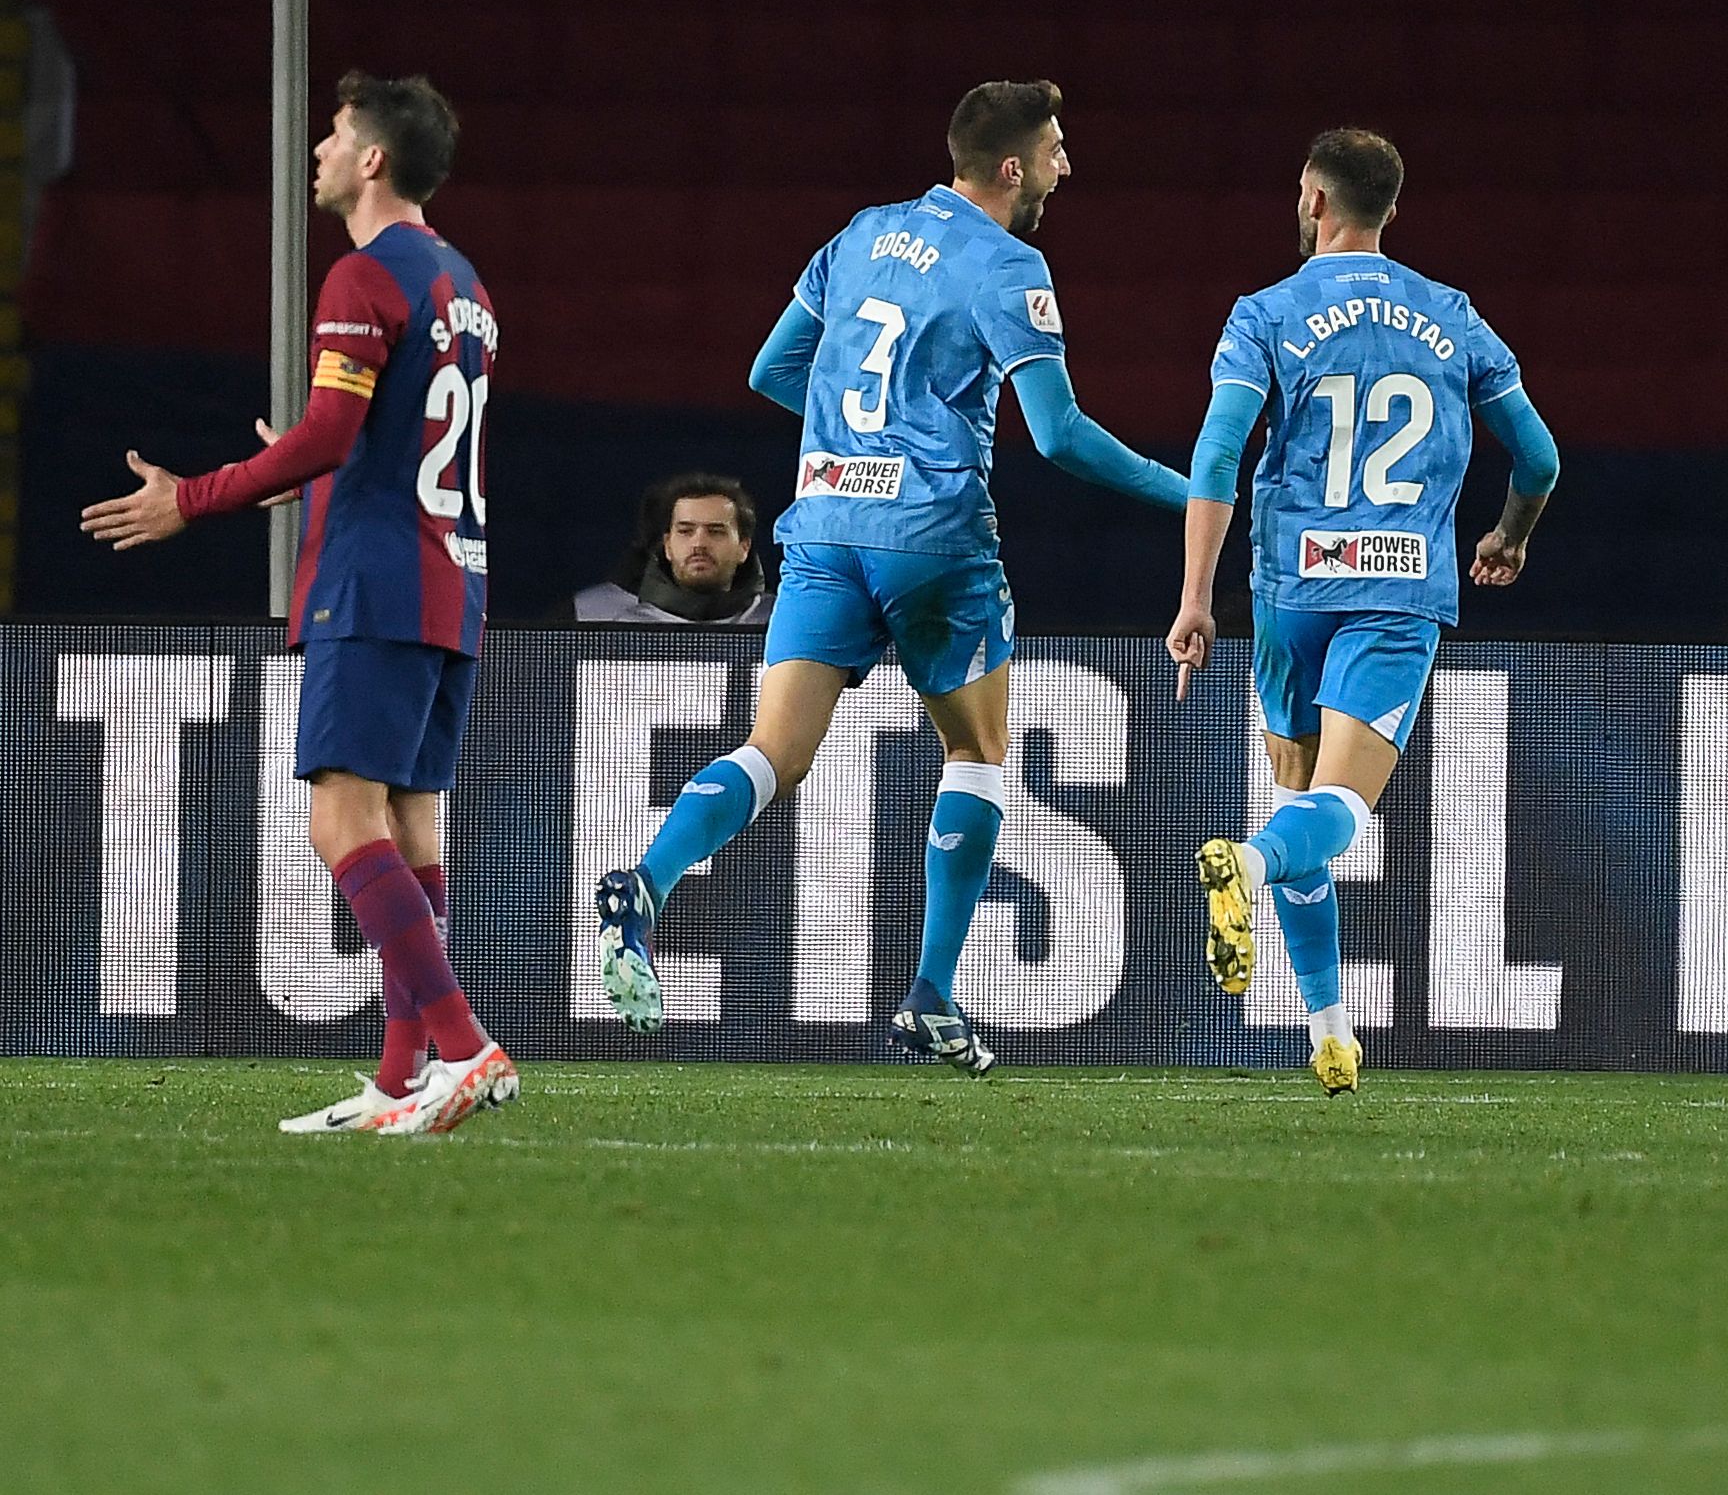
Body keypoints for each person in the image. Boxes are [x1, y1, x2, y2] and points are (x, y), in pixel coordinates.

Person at [595, 81, 1191, 1074]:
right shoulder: (1011, 265)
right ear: (1009, 168)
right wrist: (1193, 501)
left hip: (825, 525)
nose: (1065, 166)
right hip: (934, 541)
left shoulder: (862, 232)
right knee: (978, 753)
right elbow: (1060, 436)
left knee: (774, 752)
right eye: (1054, 150)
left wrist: (855, 444)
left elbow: (772, 370)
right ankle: (930, 996)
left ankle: (649, 883)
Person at [80, 73, 516, 1139]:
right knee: (407, 819)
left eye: (333, 135)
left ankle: (465, 1048)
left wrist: (193, 496)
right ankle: (403, 1075)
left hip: (372, 580)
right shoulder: (465, 283)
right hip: (451, 575)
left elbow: (328, 439)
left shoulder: (364, 275)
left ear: (373, 158)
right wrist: (307, 452)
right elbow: (374, 439)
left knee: (338, 820)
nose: (318, 150)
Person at [1171, 130, 1562, 1098]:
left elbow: (1218, 457)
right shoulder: (1453, 316)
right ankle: (1249, 870)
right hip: (1394, 588)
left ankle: (1330, 1032)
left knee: (1302, 797)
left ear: (1312, 200)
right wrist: (1509, 535)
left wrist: (1192, 598)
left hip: (1284, 592)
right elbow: (1540, 459)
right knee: (1336, 815)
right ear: (1390, 208)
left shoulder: (1263, 313)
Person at [576, 474, 774, 626]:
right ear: (667, 545)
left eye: (715, 532)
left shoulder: (781, 622)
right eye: (686, 531)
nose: (699, 543)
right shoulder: (619, 627)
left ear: (744, 548)